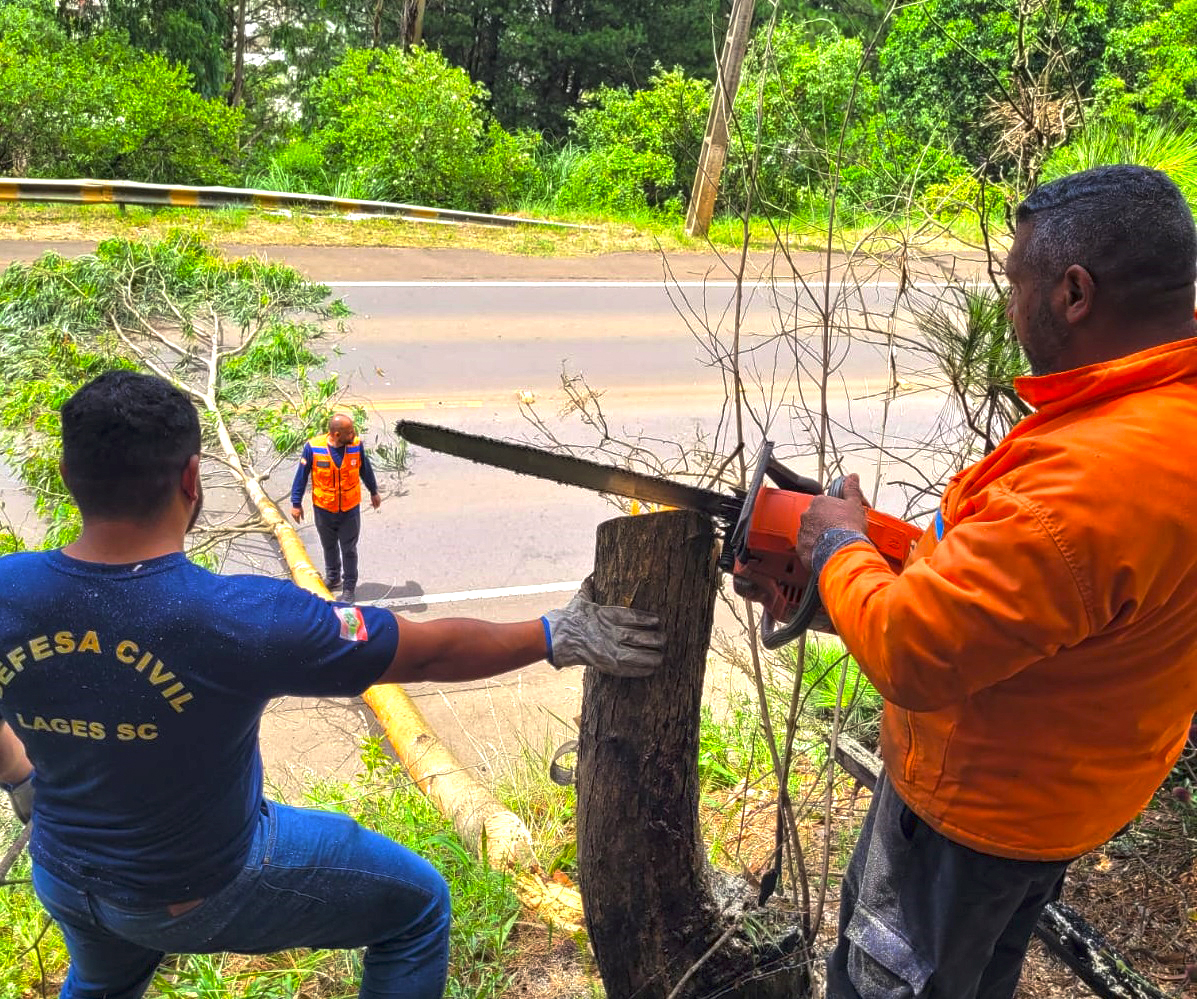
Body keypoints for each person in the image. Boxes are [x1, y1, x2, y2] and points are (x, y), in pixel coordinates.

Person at [0, 369, 664, 999]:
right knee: (417, 907)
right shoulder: (240, 616)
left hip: (62, 873)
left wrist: (21, 778)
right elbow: (429, 652)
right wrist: (556, 633)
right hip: (198, 887)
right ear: (193, 479)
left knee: (104, 979)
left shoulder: (8, 588)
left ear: (66, 477)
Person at [796, 163, 1197, 998]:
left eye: (1016, 284)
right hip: (1068, 795)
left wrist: (837, 551)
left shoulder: (1087, 481)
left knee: (891, 979)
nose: (1007, 307)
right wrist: (869, 567)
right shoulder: (1160, 412)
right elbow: (1044, 597)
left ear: (1073, 292)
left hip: (971, 816)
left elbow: (911, 650)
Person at [291, 413, 381, 603]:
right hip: (324, 509)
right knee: (329, 546)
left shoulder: (356, 445)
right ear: (337, 434)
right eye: (349, 432)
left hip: (349, 510)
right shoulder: (313, 448)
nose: (354, 433)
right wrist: (296, 503)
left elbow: (365, 469)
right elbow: (301, 476)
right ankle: (333, 578)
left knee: (349, 549)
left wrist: (373, 491)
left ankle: (349, 587)